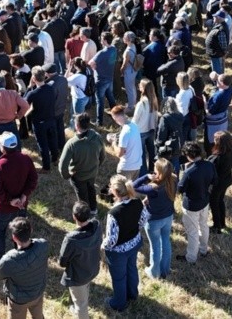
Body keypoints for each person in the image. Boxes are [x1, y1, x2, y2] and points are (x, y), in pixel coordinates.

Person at [0, 131, 39, 269]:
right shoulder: (26, 159)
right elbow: (33, 179)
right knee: (19, 232)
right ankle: (21, 256)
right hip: (21, 207)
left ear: (3, 148)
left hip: (2, 209)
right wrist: (24, 196)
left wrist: (10, 201)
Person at [102, 174, 149, 312]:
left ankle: (119, 303)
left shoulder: (113, 213)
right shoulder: (137, 202)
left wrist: (103, 245)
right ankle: (132, 295)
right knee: (132, 269)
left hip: (118, 252)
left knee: (119, 278)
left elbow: (112, 240)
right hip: (134, 244)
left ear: (115, 192)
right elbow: (143, 220)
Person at [0, 217, 48, 319]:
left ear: (14, 238)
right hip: (37, 293)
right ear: (31, 230)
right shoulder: (43, 245)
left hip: (18, 300)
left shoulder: (7, 260)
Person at [58, 200, 102, 319]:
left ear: (74, 217)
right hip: (92, 268)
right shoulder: (97, 225)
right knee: (83, 292)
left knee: (81, 305)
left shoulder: (71, 239)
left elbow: (62, 262)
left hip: (78, 276)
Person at [176, 141, 217, 263]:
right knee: (203, 226)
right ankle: (204, 250)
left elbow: (180, 189)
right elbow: (215, 181)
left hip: (191, 206)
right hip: (204, 201)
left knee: (193, 232)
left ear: (188, 155)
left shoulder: (188, 172)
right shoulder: (209, 165)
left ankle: (191, 258)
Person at [59, 113, 105, 215]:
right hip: (93, 173)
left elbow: (62, 165)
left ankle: (85, 214)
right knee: (91, 189)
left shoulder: (71, 144)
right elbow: (103, 156)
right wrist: (96, 166)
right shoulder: (97, 137)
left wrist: (67, 175)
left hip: (78, 176)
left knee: (82, 195)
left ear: (77, 126)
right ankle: (94, 209)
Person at [24, 66, 58, 173]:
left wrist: (29, 87)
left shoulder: (33, 93)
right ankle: (55, 158)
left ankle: (46, 167)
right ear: (44, 76)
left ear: (33, 78)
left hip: (39, 123)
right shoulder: (51, 88)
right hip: (51, 119)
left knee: (43, 144)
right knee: (52, 140)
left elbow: (23, 103)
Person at [208, 131, 232, 234]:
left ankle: (216, 226)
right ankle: (222, 223)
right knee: (220, 201)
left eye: (215, 139)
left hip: (217, 183)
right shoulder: (230, 152)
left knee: (214, 203)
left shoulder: (217, 157)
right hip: (226, 180)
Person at [109, 105, 143, 181]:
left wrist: (113, 143)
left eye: (114, 118)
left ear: (116, 117)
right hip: (137, 165)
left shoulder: (125, 132)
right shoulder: (134, 125)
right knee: (132, 190)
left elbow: (119, 154)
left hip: (126, 167)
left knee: (122, 192)